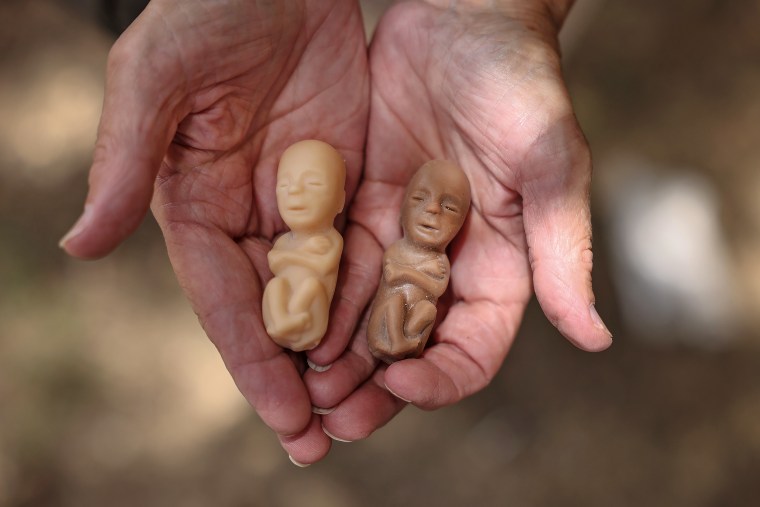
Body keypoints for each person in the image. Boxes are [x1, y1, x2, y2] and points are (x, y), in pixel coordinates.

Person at [59, 0, 612, 467]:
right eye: (290, 185)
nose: (431, 213)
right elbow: (318, 271)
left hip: (398, 299)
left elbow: (410, 280)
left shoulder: (380, 251)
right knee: (314, 312)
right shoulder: (316, 243)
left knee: (399, 322)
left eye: (447, 208)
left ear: (341, 200)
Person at [367, 160, 471, 363]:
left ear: (458, 228)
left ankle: (405, 341)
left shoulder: (440, 260)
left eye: (449, 207)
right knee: (395, 299)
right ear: (401, 213)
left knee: (428, 309)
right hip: (384, 324)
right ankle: (396, 341)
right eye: (419, 198)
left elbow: (437, 289)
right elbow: (392, 275)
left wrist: (408, 272)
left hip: (412, 331)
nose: (432, 208)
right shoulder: (397, 249)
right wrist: (420, 271)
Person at [263, 140, 346, 351]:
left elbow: (319, 268)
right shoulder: (284, 240)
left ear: (340, 201)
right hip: (281, 313)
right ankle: (281, 323)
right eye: (284, 185)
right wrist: (302, 254)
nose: (295, 191)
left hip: (311, 316)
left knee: (311, 285)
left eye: (313, 184)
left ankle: (293, 321)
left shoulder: (331, 239)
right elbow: (274, 262)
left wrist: (290, 257)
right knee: (275, 286)